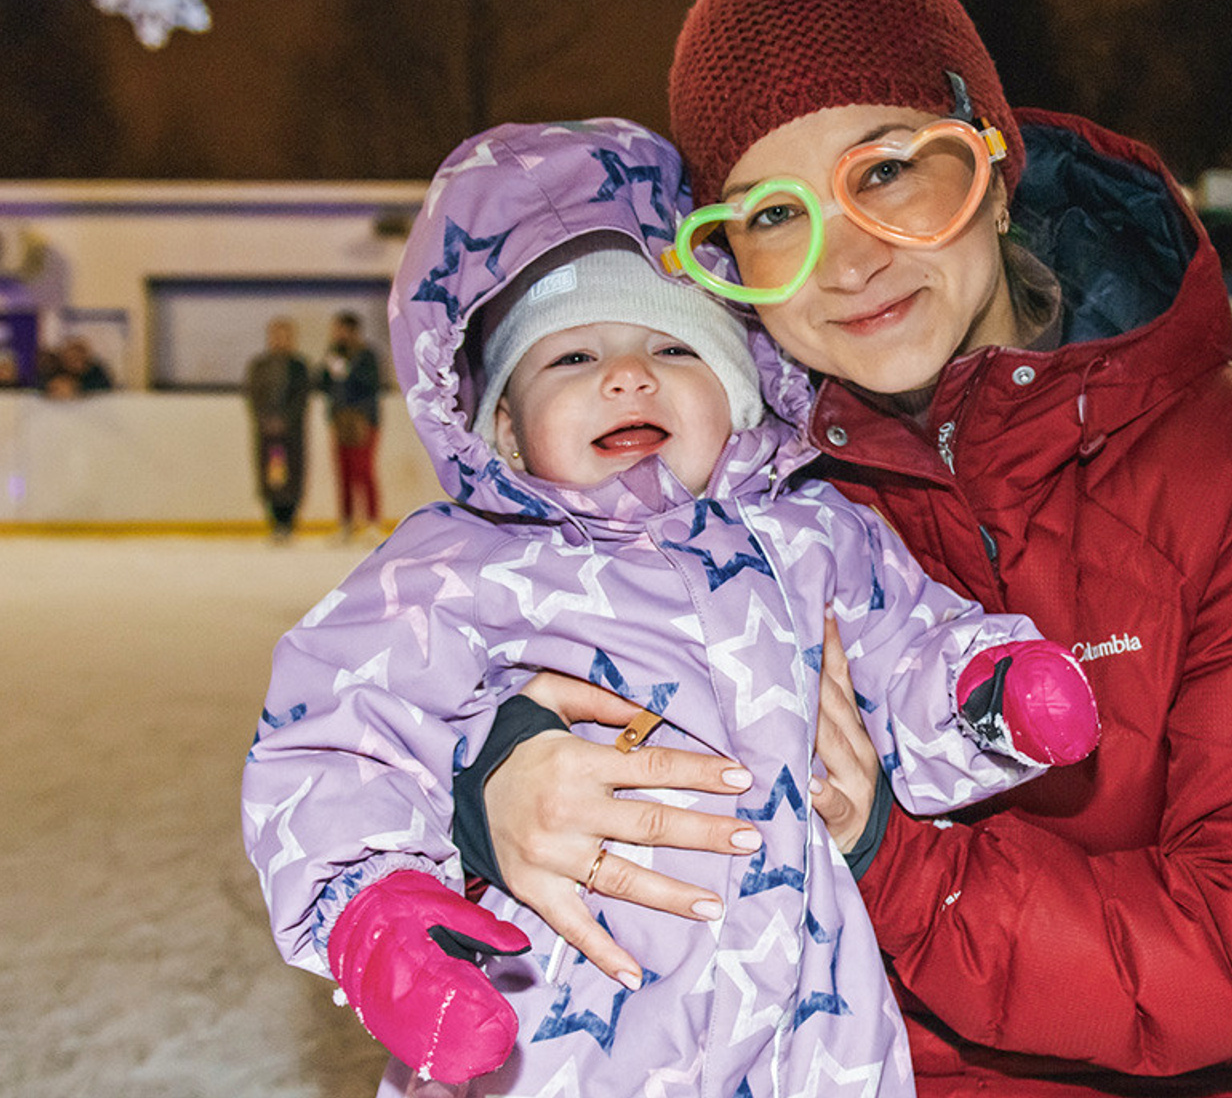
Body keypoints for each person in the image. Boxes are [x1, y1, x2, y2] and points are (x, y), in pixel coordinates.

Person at [461, 0, 1232, 1095]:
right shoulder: (717, 487)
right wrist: (491, 787)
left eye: (887, 169)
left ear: (991, 173)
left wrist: (901, 866)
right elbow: (443, 661)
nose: (844, 261)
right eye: (773, 214)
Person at [242, 118, 1099, 1096]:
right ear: (508, 434)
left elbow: (905, 637)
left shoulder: (812, 531)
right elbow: (341, 729)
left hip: (806, 1029)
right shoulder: (456, 568)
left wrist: (987, 688)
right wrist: (378, 907)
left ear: (738, 397)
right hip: (565, 1028)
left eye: (671, 347)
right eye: (569, 360)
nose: (626, 373)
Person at [316, 310, 382, 539]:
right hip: (341, 421)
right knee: (343, 472)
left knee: (363, 471)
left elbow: (372, 383)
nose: (336, 334)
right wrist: (328, 368)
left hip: (364, 421)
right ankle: (346, 523)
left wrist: (348, 371)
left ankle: (372, 522)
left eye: (339, 329)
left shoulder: (367, 356)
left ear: (352, 330)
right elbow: (322, 384)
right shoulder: (333, 354)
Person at [244, 316, 310, 540]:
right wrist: (266, 420)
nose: (279, 340)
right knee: (272, 476)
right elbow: (253, 396)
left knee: (292, 475)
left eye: (284, 336)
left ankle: (289, 521)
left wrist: (285, 421)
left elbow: (301, 398)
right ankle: (274, 521)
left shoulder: (299, 366)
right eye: (275, 335)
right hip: (268, 435)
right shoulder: (259, 366)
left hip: (290, 434)